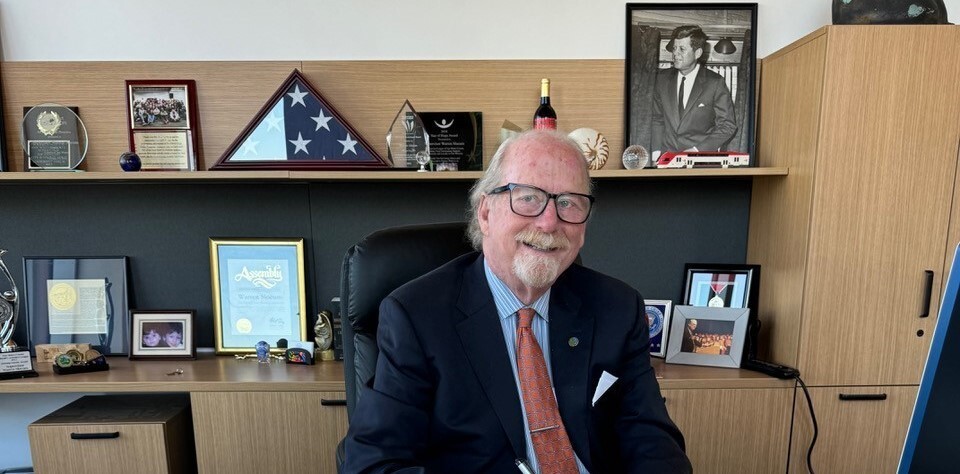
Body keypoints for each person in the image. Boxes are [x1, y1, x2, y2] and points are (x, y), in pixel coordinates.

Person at [344, 130, 691, 473]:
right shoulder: (416, 316)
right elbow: (373, 463)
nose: (550, 222)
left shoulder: (618, 307)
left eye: (569, 202)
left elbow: (651, 439)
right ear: (485, 213)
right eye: (527, 197)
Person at [651, 25, 737, 160]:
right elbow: (656, 118)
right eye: (674, 48)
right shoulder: (661, 79)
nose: (675, 53)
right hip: (665, 157)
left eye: (682, 49)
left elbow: (727, 126)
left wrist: (698, 150)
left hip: (699, 158)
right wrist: (655, 153)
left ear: (697, 53)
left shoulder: (715, 83)